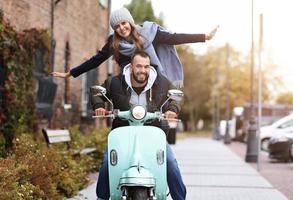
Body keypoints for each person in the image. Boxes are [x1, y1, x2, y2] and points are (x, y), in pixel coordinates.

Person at [92, 50, 186, 200]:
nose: (143, 70)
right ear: (131, 67)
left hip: (154, 133)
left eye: (146, 67)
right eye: (139, 66)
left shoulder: (161, 82)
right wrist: (99, 106)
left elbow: (176, 95)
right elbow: (98, 93)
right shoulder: (115, 82)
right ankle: (101, 198)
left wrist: (172, 109)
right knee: (106, 165)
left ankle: (180, 198)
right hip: (122, 134)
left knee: (170, 163)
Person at [51, 7, 218, 87]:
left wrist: (204, 37)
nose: (121, 28)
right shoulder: (113, 42)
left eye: (123, 23)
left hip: (153, 81)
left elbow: (174, 38)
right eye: (116, 26)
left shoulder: (149, 32)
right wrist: (71, 73)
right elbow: (96, 60)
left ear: (129, 21)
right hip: (129, 85)